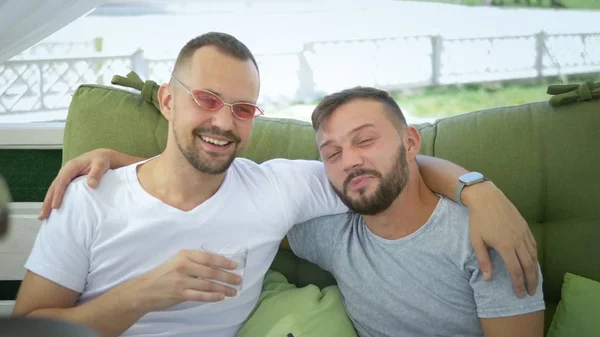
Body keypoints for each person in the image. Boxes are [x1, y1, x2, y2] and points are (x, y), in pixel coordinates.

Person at [13, 32, 538, 337]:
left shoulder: (277, 192)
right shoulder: (90, 195)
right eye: (207, 99)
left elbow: (384, 176)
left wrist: (477, 190)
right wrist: (142, 295)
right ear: (168, 101)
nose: (223, 121)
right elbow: (29, 328)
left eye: (242, 109)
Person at [286, 87, 545, 337]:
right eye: (333, 154)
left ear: (410, 143)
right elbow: (255, 229)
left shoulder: (485, 235)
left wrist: (478, 190)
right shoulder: (335, 236)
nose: (349, 161)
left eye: (364, 141)